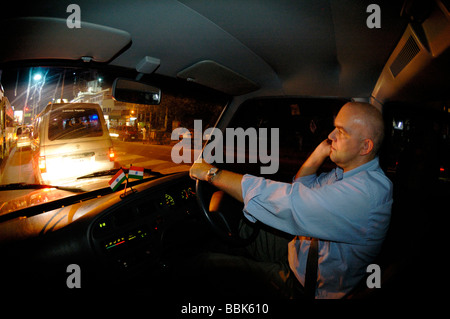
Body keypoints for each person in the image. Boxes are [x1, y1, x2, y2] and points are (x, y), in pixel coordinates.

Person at [189, 102, 393, 299]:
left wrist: (212, 174)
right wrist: (319, 153)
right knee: (238, 230)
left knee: (204, 265)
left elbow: (291, 202)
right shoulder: (345, 173)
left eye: (341, 132)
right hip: (299, 252)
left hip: (306, 286)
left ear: (365, 146)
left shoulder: (365, 193)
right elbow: (301, 187)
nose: (331, 136)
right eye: (334, 128)